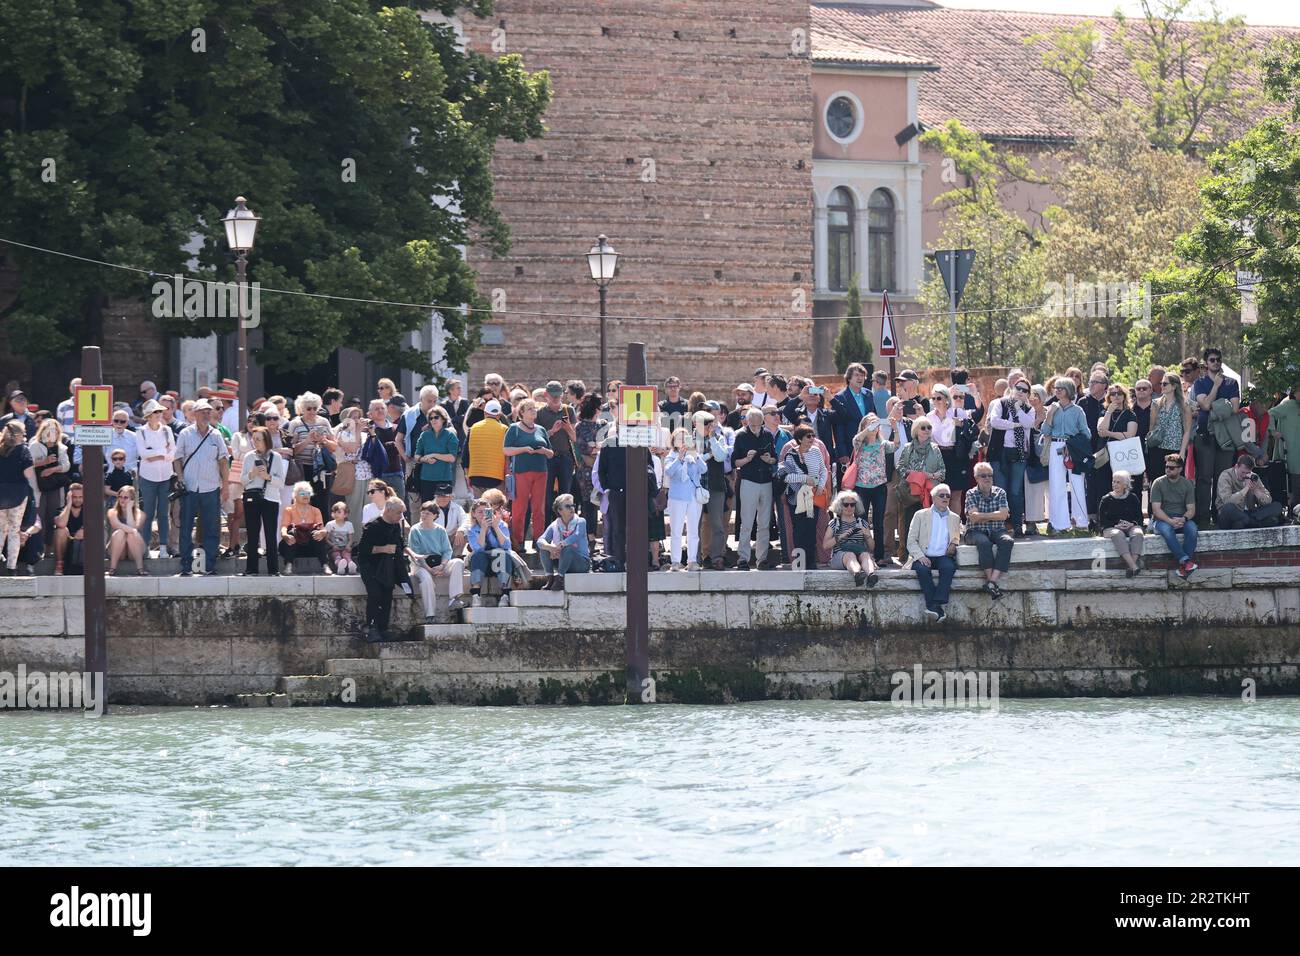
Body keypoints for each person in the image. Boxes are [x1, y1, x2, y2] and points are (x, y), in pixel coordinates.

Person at [173, 399, 229, 576]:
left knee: (212, 527)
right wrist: (180, 477)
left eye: (208, 411)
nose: (206, 414)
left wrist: (225, 485)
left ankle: (209, 565)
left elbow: (223, 461)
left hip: (211, 487)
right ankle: (186, 565)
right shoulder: (185, 433)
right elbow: (177, 458)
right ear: (194, 414)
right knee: (186, 526)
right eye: (202, 411)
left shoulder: (216, 435)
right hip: (189, 486)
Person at [1191, 347, 1240, 524]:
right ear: (1206, 363)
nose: (1216, 362)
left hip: (1226, 436)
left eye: (1218, 359)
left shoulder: (1232, 383)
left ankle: (1220, 515)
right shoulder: (1200, 383)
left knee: (1223, 478)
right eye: (1212, 360)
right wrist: (1216, 387)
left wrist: (1213, 406)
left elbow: (1234, 409)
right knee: (1204, 478)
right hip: (1206, 435)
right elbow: (1204, 405)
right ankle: (1203, 518)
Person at [503, 398, 553, 547]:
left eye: (534, 408)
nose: (534, 411)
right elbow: (506, 450)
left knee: (539, 509)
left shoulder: (541, 429)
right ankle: (518, 542)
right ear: (522, 413)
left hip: (541, 472)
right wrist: (523, 449)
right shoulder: (514, 428)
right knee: (519, 509)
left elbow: (551, 453)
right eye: (530, 409)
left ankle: (539, 542)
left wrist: (544, 451)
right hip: (521, 472)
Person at [907, 482, 960, 623]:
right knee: (922, 570)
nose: (945, 498)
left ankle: (934, 604)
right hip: (923, 554)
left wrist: (954, 543)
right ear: (933, 498)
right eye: (941, 495)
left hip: (943, 556)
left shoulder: (955, 517)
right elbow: (911, 541)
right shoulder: (920, 515)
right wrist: (920, 556)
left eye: (947, 495)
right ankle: (936, 606)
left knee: (949, 568)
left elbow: (957, 536)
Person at [1041, 378, 1090, 532]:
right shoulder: (1051, 408)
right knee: (1056, 485)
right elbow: (1045, 432)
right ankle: (1059, 524)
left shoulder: (1077, 411)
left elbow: (1086, 433)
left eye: (1061, 388)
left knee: (1077, 483)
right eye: (1056, 388)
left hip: (1073, 448)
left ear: (1068, 390)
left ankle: (1081, 523)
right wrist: (1050, 414)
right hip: (1055, 446)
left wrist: (1073, 443)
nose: (1057, 390)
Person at [731, 407, 777, 570]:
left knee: (764, 523)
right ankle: (743, 559)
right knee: (747, 522)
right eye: (754, 425)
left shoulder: (767, 435)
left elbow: (774, 459)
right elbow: (735, 462)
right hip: (749, 480)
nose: (757, 428)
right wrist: (747, 459)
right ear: (748, 422)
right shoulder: (741, 436)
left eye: (759, 425)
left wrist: (769, 459)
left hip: (766, 480)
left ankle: (761, 559)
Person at [407, 499, 468, 621]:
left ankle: (454, 599)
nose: (424, 515)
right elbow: (417, 554)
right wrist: (430, 570)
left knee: (458, 563)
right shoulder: (415, 530)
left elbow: (447, 550)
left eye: (428, 513)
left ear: (435, 516)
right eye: (423, 512)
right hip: (421, 565)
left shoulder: (440, 530)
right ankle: (430, 614)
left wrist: (442, 565)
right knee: (426, 580)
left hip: (439, 563)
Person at [357, 497, 408, 641]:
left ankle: (383, 628)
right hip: (370, 566)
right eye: (398, 513)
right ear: (389, 511)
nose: (400, 517)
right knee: (375, 594)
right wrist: (383, 549)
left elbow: (399, 545)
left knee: (387, 595)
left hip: (386, 566)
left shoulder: (395, 526)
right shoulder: (372, 526)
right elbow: (362, 550)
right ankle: (372, 628)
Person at [989, 379, 1035, 536]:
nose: (1020, 392)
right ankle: (1000, 526)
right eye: (1018, 388)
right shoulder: (1000, 403)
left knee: (1015, 491)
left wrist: (1018, 409)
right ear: (1012, 388)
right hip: (999, 452)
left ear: (1028, 394)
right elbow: (994, 422)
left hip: (1019, 453)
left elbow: (1029, 423)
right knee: (1000, 490)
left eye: (1024, 390)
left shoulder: (1029, 409)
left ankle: (1017, 525)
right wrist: (1014, 425)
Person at [848, 412, 895, 567]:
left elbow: (896, 446)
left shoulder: (883, 443)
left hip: (879, 486)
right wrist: (867, 429)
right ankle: (861, 554)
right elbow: (855, 439)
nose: (874, 426)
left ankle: (879, 555)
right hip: (862, 487)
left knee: (878, 522)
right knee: (861, 521)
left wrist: (895, 428)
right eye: (871, 423)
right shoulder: (860, 442)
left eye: (876, 423)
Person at [240, 426, 287, 576]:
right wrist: (252, 474)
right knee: (252, 534)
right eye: (254, 440)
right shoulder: (249, 457)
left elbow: (281, 483)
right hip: (252, 498)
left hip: (270, 498)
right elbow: (242, 480)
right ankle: (251, 568)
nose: (255, 443)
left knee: (270, 534)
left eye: (259, 439)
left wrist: (268, 477)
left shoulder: (276, 457)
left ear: (266, 440)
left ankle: (273, 569)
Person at [777, 424, 825, 570]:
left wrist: (821, 486)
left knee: (811, 529)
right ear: (799, 439)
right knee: (798, 531)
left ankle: (810, 562)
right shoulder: (791, 455)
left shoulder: (816, 451)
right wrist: (804, 478)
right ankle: (799, 562)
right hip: (796, 500)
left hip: (812, 498)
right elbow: (786, 477)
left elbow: (823, 470)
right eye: (808, 436)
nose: (812, 439)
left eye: (813, 435)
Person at [964, 462, 1013, 599]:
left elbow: (1003, 516)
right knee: (984, 543)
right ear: (976, 478)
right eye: (983, 475)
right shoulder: (971, 493)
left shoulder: (1000, 492)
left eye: (990, 475)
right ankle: (991, 583)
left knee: (1007, 541)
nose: (987, 478)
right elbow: (973, 519)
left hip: (997, 530)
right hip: (975, 531)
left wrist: (982, 516)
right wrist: (995, 515)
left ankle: (991, 582)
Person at [134, 399, 175, 557]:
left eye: (160, 411)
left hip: (165, 476)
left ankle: (163, 547)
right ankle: (145, 548)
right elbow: (143, 454)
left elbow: (173, 452)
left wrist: (156, 454)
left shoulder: (167, 430)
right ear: (149, 415)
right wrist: (161, 452)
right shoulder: (141, 431)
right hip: (147, 477)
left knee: (164, 513)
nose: (160, 414)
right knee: (148, 513)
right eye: (156, 412)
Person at [287, 391, 337, 517]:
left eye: (315, 408)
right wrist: (307, 440)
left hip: (321, 469)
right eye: (309, 408)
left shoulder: (324, 422)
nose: (312, 411)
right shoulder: (295, 424)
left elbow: (334, 446)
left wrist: (324, 441)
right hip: (302, 469)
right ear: (302, 408)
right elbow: (291, 451)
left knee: (323, 504)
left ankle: (322, 533)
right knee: (304, 503)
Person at [694, 409, 733, 570]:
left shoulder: (719, 438)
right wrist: (707, 455)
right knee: (695, 525)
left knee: (717, 525)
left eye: (710, 423)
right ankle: (695, 558)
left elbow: (721, 457)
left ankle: (716, 557)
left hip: (716, 486)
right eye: (705, 424)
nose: (709, 427)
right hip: (696, 487)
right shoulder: (690, 440)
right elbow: (694, 460)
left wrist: (712, 440)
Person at [1150, 453, 1199, 579]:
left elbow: (1191, 509)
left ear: (1180, 469)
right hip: (1162, 519)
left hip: (1181, 518)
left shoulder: (1187, 484)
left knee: (1192, 529)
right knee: (1167, 530)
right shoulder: (1158, 483)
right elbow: (1156, 510)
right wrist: (1170, 521)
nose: (1168, 470)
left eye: (1171, 468)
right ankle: (1185, 561)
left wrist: (1184, 519)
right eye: (1166, 467)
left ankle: (1184, 567)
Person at [1094, 381, 1138, 519]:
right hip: (1105, 456)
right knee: (1102, 486)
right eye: (1113, 394)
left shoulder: (1130, 414)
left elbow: (1129, 435)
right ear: (1109, 397)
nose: (1116, 396)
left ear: (1125, 396)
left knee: (1122, 487)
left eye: (1119, 394)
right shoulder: (1104, 412)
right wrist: (1109, 412)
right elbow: (1100, 430)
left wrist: (1110, 434)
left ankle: (1125, 518)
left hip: (1122, 455)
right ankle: (1103, 520)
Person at [664, 427, 705, 570]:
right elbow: (669, 471)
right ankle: (675, 561)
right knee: (676, 530)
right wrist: (679, 458)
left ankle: (692, 560)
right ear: (673, 442)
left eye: (685, 438)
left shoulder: (693, 454)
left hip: (693, 497)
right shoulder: (671, 456)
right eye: (679, 438)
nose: (682, 441)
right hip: (677, 497)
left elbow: (704, 469)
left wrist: (695, 454)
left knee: (693, 531)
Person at [895, 417, 945, 539]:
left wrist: (930, 476)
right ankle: (908, 554)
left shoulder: (935, 448)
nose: (927, 430)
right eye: (923, 428)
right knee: (909, 525)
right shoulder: (908, 448)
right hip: (911, 493)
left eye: (929, 427)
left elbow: (942, 472)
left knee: (928, 527)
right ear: (916, 430)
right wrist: (914, 475)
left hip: (929, 493)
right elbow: (900, 467)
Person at [536, 381, 578, 519]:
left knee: (565, 495)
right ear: (545, 395)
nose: (556, 399)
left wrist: (568, 428)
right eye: (553, 396)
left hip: (565, 458)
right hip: (547, 459)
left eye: (558, 396)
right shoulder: (540, 414)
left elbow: (575, 438)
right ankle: (548, 527)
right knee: (547, 496)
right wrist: (552, 431)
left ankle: (566, 526)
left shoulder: (568, 411)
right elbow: (537, 439)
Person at [466, 497, 517, 605]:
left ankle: (505, 594)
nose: (483, 515)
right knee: (478, 555)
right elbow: (478, 548)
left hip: (499, 561)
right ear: (474, 514)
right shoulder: (472, 530)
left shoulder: (501, 525)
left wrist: (495, 527)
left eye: (486, 512)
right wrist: (484, 529)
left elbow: (507, 546)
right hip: (482, 563)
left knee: (501, 553)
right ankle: (476, 594)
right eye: (480, 512)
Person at [0, 421, 37, 571]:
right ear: (19, 435)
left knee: (1, 529)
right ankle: (11, 567)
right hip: (18, 494)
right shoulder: (23, 450)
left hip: (0, 493)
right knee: (14, 530)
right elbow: (28, 474)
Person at [29, 418, 71, 548]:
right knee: (38, 517)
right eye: (49, 430)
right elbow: (27, 464)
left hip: (54, 487)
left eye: (55, 431)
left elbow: (66, 465)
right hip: (38, 488)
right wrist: (44, 462)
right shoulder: (34, 445)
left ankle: (49, 548)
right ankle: (37, 548)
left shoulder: (61, 448)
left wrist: (52, 469)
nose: (52, 433)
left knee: (52, 517)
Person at [823, 490, 878, 587]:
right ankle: (857, 574)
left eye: (852, 505)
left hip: (860, 553)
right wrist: (840, 537)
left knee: (865, 554)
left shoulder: (863, 523)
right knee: (850, 555)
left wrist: (867, 535)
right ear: (840, 505)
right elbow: (825, 545)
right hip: (840, 555)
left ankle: (871, 575)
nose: (849, 507)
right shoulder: (834, 523)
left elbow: (872, 547)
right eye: (846, 504)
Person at [537, 493, 591, 588]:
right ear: (560, 510)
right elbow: (540, 540)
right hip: (562, 559)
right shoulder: (555, 524)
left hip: (580, 563)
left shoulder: (581, 521)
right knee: (544, 549)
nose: (572, 508)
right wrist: (551, 547)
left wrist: (561, 545)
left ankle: (560, 579)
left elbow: (576, 535)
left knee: (568, 548)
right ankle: (550, 579)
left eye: (573, 505)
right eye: (568, 506)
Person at [1216, 455, 1284, 529]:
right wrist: (1246, 488)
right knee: (1228, 508)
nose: (1244, 475)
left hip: (1250, 513)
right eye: (1242, 472)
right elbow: (1227, 501)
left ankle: (1248, 522)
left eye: (1247, 472)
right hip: (1233, 513)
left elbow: (1268, 500)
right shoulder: (1226, 475)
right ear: (1236, 466)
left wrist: (1256, 491)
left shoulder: (1253, 477)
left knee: (1277, 506)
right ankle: (1256, 523)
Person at [1099, 470, 1146, 577]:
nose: (1114, 484)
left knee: (1138, 533)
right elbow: (1102, 521)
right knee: (1117, 534)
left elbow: (1139, 517)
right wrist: (1115, 526)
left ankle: (1131, 566)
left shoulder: (1132, 497)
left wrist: (1132, 524)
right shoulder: (1106, 499)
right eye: (1113, 481)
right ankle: (1133, 566)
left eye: (1118, 482)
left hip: (1130, 526)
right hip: (1111, 528)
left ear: (1125, 485)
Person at [279, 481, 330, 574]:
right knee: (290, 533)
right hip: (294, 545)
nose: (306, 496)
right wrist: (285, 535)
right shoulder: (289, 510)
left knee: (317, 533)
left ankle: (325, 565)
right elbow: (284, 527)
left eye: (308, 493)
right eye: (302, 493)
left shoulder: (316, 510)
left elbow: (322, 528)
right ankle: (288, 566)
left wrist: (322, 533)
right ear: (295, 495)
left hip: (311, 546)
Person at [412, 405, 459, 506]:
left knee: (444, 508)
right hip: (426, 479)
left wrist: (434, 455)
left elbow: (452, 458)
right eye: (431, 418)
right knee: (428, 508)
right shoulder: (424, 435)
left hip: (444, 479)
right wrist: (424, 459)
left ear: (443, 419)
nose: (433, 420)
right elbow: (416, 456)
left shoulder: (450, 435)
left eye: (436, 417)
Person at [573, 393, 604, 546]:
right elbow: (584, 449)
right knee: (588, 504)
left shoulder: (602, 425)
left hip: (601, 470)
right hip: (586, 472)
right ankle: (589, 536)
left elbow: (603, 447)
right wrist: (597, 448)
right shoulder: (580, 427)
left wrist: (596, 447)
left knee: (602, 503)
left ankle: (598, 535)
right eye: (599, 407)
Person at [831, 363, 871, 471]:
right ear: (849, 378)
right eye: (857, 375)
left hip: (869, 446)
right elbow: (838, 427)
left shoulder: (868, 394)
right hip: (850, 447)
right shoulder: (840, 397)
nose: (860, 378)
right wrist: (842, 452)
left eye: (862, 375)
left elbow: (873, 418)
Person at [465, 399, 509, 497]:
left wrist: (467, 475)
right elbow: (508, 457)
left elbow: (465, 456)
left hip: (476, 477)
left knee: (480, 509)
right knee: (495, 508)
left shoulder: (473, 428)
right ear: (499, 415)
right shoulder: (504, 429)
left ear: (485, 413)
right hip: (496, 478)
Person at [1268, 383, 1300, 514]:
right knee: (1294, 485)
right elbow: (1270, 413)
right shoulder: (1287, 404)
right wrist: (1273, 431)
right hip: (1291, 455)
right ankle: (1294, 511)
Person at [107, 486, 148, 575]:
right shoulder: (112, 512)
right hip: (118, 550)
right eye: (120, 497)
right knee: (120, 532)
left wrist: (129, 509)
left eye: (126, 497)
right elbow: (117, 525)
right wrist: (133, 530)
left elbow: (135, 527)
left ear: (132, 499)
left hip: (134, 550)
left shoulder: (141, 514)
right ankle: (112, 568)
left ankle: (140, 568)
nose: (122, 499)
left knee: (131, 534)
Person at [52, 483, 86, 575]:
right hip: (66, 543)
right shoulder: (61, 510)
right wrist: (69, 504)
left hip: (82, 545)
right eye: (75, 497)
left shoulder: (89, 511)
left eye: (81, 497)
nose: (78, 500)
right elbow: (61, 524)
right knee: (61, 530)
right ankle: (60, 565)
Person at [325, 501, 358, 574]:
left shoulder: (349, 524)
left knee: (347, 555)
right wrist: (333, 545)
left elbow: (350, 539)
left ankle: (351, 565)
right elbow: (326, 539)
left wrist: (348, 546)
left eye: (339, 512)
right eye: (334, 512)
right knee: (337, 556)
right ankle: (340, 565)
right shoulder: (330, 524)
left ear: (345, 514)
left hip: (345, 547)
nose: (336, 514)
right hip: (334, 548)